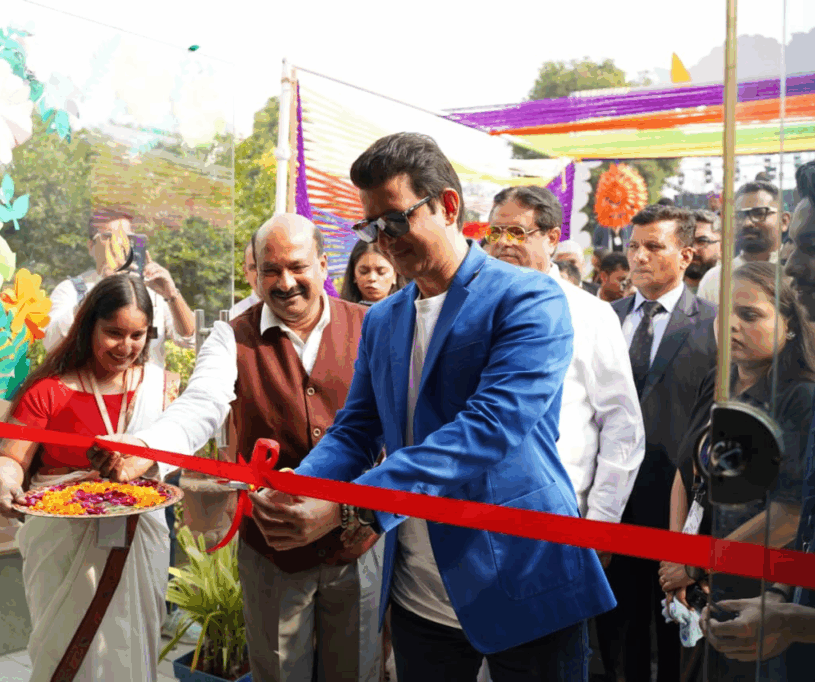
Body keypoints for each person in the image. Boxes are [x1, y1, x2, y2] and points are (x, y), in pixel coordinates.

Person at [248, 132, 614, 681]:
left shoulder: (527, 298)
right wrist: (302, 485)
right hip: (419, 589)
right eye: (371, 227)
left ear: (446, 205)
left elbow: (488, 429)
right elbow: (356, 429)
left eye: (395, 221)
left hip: (521, 568)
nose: (383, 241)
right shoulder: (384, 319)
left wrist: (354, 507)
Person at [99, 214, 384, 682]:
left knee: (356, 670)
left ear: (323, 265)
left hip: (356, 542)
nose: (285, 283)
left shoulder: (371, 325)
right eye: (271, 270)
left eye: (297, 267)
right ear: (255, 272)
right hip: (273, 545)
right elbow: (203, 402)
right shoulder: (231, 335)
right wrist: (151, 446)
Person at [702, 151, 815, 677]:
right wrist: (784, 596)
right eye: (792, 247)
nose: (791, 267)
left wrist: (796, 621)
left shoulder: (808, 390)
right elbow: (814, 525)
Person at [0, 274, 179, 681]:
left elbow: (172, 460)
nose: (126, 347)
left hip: (139, 539)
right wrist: (5, 485)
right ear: (89, 326)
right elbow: (10, 459)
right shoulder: (49, 392)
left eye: (138, 335)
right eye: (114, 333)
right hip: (62, 545)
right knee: (67, 653)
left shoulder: (158, 388)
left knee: (129, 649)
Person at [662, 262, 815, 681]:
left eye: (750, 315)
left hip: (761, 589)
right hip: (701, 579)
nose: (731, 325)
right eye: (724, 312)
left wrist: (701, 563)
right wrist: (677, 554)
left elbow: (791, 513)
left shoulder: (801, 397)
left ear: (791, 325)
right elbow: (687, 473)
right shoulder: (717, 381)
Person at [483, 184, 644, 550]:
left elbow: (621, 424)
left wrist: (601, 524)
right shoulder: (470, 308)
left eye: (517, 232)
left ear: (552, 238)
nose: (503, 243)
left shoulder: (589, 314)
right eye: (496, 232)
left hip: (558, 518)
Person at [599, 204, 718, 682]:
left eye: (653, 246)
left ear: (686, 255)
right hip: (609, 502)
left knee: (674, 636)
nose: (639, 256)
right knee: (613, 631)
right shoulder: (603, 319)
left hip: (675, 507)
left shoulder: (712, 324)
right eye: (633, 246)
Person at [43, 209, 195, 367]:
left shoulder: (152, 289)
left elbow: (189, 339)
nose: (120, 243)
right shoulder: (73, 290)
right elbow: (50, 342)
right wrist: (99, 291)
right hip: (89, 381)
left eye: (128, 237)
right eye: (109, 236)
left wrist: (171, 295)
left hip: (145, 382)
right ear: (91, 246)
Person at [697, 181, 791, 305]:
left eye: (759, 213)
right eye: (740, 215)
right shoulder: (715, 279)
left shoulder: (796, 274)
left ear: (784, 221)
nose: (747, 223)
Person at [341, 240, 403, 304]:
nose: (372, 278)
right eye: (363, 272)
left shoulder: (407, 308)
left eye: (381, 272)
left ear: (395, 275)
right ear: (353, 275)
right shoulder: (338, 309)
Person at [684, 210, 722, 293]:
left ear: (721, 248)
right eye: (687, 241)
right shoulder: (664, 288)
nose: (693, 249)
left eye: (702, 241)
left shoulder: (732, 287)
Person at [229, 235, 262, 319]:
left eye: (266, 266)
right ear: (245, 272)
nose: (259, 273)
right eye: (253, 267)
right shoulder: (235, 315)